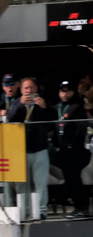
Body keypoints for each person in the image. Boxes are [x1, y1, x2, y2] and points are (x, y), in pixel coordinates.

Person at [8, 78, 55, 217]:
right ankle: (25, 211)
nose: (29, 91)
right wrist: (19, 106)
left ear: (37, 88)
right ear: (21, 90)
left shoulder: (43, 101)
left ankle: (41, 211)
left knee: (40, 183)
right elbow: (10, 119)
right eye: (26, 88)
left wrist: (44, 107)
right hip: (21, 150)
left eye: (32, 88)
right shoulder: (16, 102)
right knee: (22, 184)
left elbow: (52, 122)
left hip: (40, 148)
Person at [52, 80, 90, 217]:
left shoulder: (77, 106)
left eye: (68, 91)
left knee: (75, 178)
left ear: (72, 92)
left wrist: (72, 144)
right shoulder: (56, 108)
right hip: (61, 150)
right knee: (69, 179)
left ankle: (82, 207)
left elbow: (81, 128)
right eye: (62, 91)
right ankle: (77, 205)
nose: (65, 94)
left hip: (75, 150)